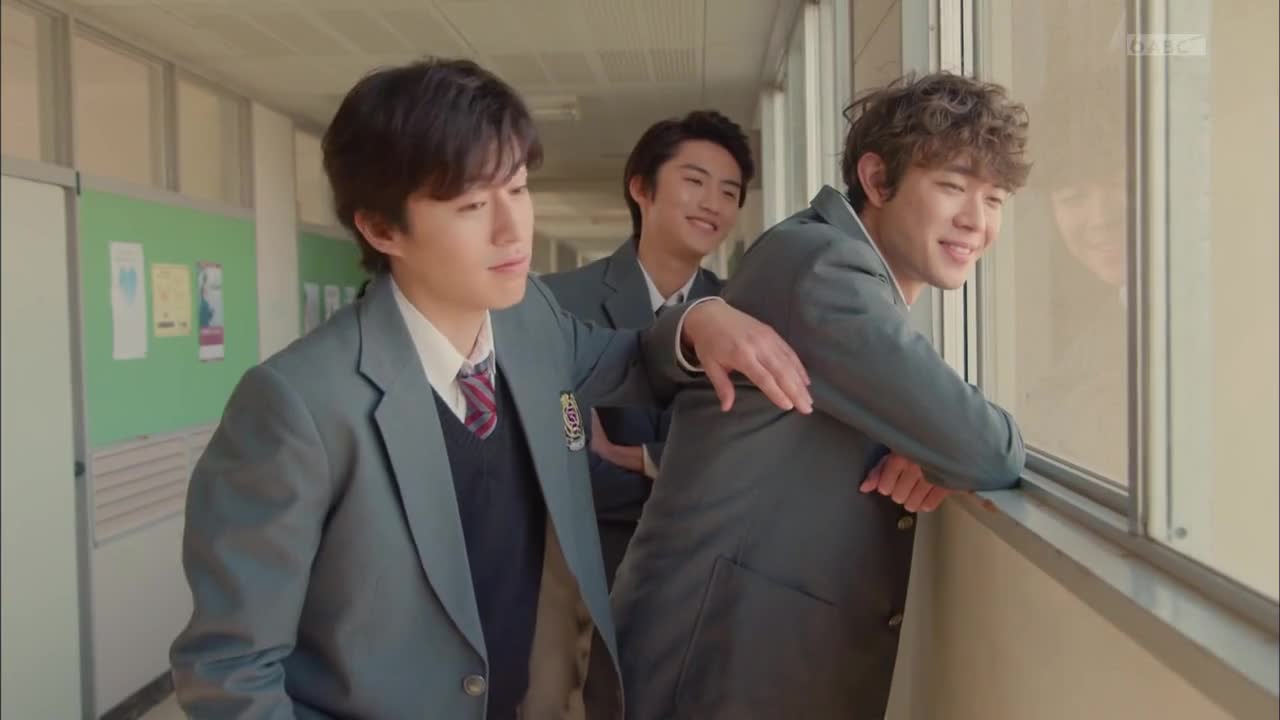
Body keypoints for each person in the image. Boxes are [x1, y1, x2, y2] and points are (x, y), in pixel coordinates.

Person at [169, 58, 813, 720]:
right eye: (473, 205)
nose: (512, 231)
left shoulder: (530, 319)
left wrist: (701, 318)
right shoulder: (298, 405)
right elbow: (230, 668)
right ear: (381, 228)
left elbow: (632, 360)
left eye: (518, 189)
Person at [610, 71, 1032, 719]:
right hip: (714, 664)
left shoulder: (827, 259)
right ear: (877, 179)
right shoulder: (822, 268)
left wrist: (927, 445)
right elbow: (986, 450)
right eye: (952, 186)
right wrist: (943, 441)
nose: (976, 221)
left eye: (995, 198)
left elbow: (945, 432)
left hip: (740, 657)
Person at [542, 110, 752, 588]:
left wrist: (642, 457)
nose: (713, 204)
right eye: (694, 182)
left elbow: (749, 459)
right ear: (641, 188)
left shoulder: (741, 315)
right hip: (587, 575)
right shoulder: (559, 303)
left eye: (729, 192)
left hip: (705, 580)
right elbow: (562, 469)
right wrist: (700, 481)